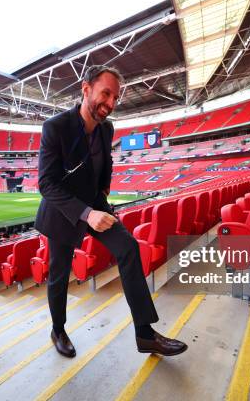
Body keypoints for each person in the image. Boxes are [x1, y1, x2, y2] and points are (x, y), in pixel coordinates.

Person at [35, 65, 187, 358]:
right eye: (106, 94)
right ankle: (58, 329)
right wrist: (85, 213)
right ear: (86, 89)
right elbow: (46, 184)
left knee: (128, 247)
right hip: (62, 210)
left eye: (115, 98)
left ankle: (145, 334)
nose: (111, 104)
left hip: (95, 203)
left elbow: (106, 163)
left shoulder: (106, 128)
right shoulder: (55, 127)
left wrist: (102, 193)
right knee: (59, 274)